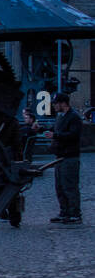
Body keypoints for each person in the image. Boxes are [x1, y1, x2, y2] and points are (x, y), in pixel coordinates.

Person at [46, 93, 83, 225]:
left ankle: (75, 214)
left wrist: (55, 135)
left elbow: (73, 135)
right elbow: (53, 130)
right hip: (60, 157)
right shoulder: (61, 117)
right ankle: (64, 212)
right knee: (60, 186)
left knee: (69, 186)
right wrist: (40, 128)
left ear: (63, 103)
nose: (54, 106)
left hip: (70, 157)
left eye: (56, 103)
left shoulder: (73, 117)